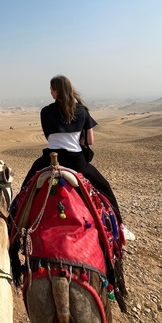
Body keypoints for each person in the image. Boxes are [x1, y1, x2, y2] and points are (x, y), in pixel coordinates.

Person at [22, 75, 123, 223]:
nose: (50, 92)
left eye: (51, 89)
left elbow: (48, 138)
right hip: (76, 161)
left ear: (56, 92)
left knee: (26, 188)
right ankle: (119, 224)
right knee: (103, 186)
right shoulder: (82, 111)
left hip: (50, 159)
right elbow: (90, 141)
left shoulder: (45, 111)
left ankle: (14, 228)